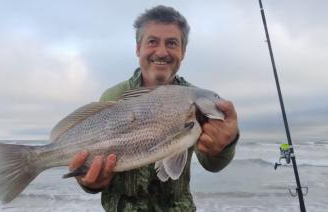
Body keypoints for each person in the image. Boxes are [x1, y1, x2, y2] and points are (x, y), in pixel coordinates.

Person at [69, 5, 239, 211]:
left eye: (172, 43)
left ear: (182, 52)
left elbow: (213, 164)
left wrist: (227, 142)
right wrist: (88, 182)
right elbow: (88, 164)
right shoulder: (114, 97)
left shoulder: (196, 102)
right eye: (152, 42)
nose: (161, 51)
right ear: (138, 48)